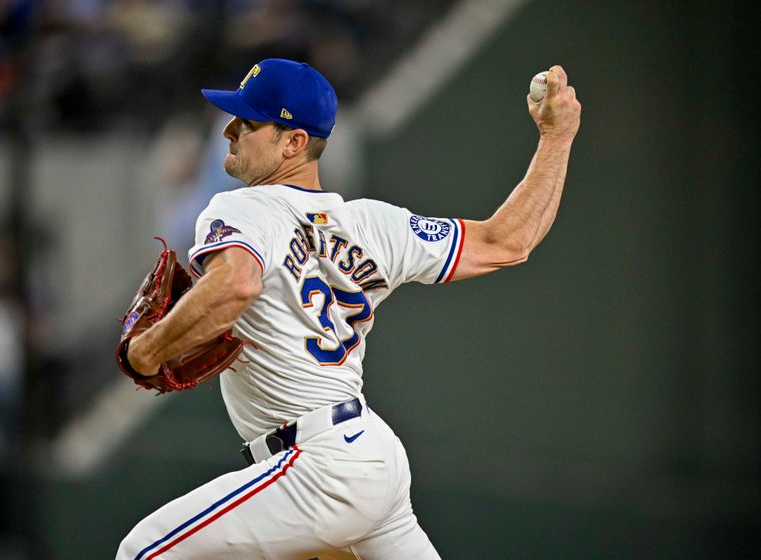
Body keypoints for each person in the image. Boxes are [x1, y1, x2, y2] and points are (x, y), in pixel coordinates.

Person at [117, 58, 581, 559]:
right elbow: (506, 240)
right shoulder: (373, 224)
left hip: (318, 465)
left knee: (144, 551)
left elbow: (235, 286)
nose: (229, 130)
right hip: (368, 455)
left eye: (248, 122)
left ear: (294, 142)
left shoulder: (242, 208)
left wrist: (144, 352)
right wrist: (557, 139)